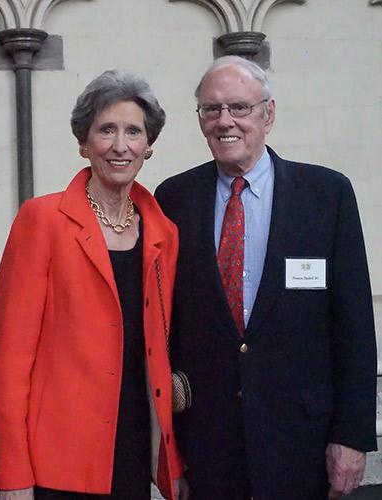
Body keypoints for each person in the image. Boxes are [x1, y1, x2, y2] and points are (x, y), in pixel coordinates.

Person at [155, 56, 378, 500]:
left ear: (268, 114)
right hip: (207, 444)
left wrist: (352, 437)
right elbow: (166, 330)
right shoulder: (173, 199)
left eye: (239, 107)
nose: (225, 121)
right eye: (211, 109)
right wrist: (167, 449)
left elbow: (354, 328)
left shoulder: (326, 195)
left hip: (303, 444)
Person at [0, 70, 187, 500]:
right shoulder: (42, 222)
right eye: (106, 130)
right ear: (84, 142)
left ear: (148, 145)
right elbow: (9, 359)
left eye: (134, 131)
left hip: (132, 450)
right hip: (56, 459)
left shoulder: (162, 232)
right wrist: (12, 471)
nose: (121, 145)